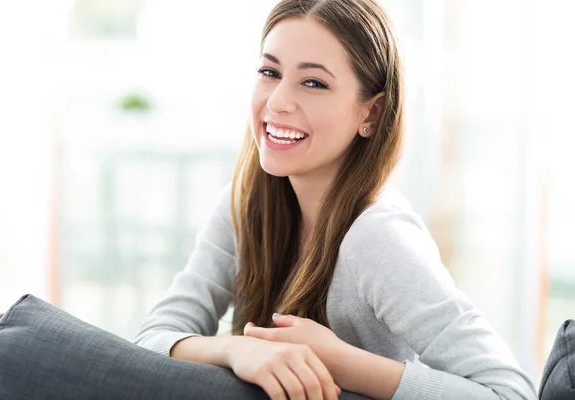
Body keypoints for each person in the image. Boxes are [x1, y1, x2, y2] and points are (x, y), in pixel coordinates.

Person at [134, 0, 537, 399]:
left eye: (314, 83)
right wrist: (236, 348)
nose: (277, 102)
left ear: (372, 114)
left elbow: (509, 393)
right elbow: (153, 339)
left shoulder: (378, 238)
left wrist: (339, 361)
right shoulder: (244, 204)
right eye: (269, 72)